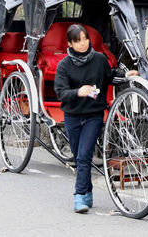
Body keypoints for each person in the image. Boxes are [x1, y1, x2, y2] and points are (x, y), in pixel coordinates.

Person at [53, 24, 111, 214]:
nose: (83, 43)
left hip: (94, 114)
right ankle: (88, 192)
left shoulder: (100, 59)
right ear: (70, 43)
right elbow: (61, 93)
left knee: (84, 156)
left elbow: (110, 77)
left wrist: (127, 75)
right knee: (79, 159)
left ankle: (78, 196)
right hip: (72, 116)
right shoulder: (64, 65)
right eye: (77, 41)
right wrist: (78, 91)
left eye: (85, 39)